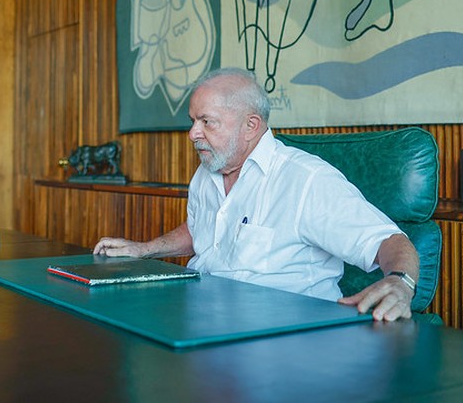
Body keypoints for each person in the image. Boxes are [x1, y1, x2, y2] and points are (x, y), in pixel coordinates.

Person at [94, 67, 419, 322]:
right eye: (193, 121)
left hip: (284, 337)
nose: (193, 134)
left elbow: (391, 242)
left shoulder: (306, 180)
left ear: (250, 126)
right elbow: (202, 230)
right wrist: (144, 250)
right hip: (202, 320)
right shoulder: (208, 171)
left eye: (207, 122)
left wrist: (401, 282)